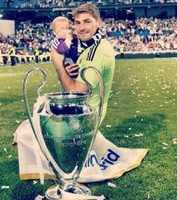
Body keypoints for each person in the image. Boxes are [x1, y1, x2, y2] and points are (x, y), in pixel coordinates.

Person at [13, 3, 148, 198]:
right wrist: (69, 71)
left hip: (83, 119)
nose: (81, 27)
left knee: (25, 134)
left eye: (87, 21)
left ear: (98, 22)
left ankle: (67, 176)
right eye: (77, 23)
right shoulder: (90, 46)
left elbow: (76, 93)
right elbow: (76, 81)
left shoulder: (97, 52)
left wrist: (58, 63)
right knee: (28, 130)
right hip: (82, 112)